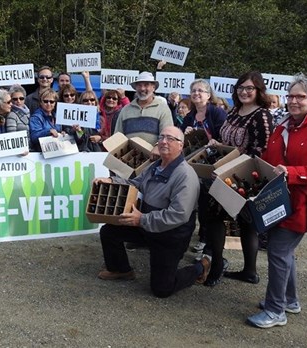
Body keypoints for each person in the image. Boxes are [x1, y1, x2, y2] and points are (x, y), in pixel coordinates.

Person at [247, 74, 307, 328]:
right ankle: (290, 300)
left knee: (278, 252)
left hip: (302, 203)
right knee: (284, 253)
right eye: (290, 96)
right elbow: (268, 157)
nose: (293, 101)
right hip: (278, 201)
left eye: (300, 96)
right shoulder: (282, 125)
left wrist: (294, 172)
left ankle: (276, 311)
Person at [95, 126, 209, 297]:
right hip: (147, 224)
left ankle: (202, 266)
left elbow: (178, 215)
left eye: (170, 139)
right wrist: (111, 180)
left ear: (181, 145)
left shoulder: (186, 175)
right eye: (162, 137)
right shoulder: (156, 165)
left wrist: (141, 220)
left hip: (171, 235)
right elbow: (136, 183)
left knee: (162, 289)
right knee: (109, 231)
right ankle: (121, 269)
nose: (163, 141)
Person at [205, 71, 273, 286]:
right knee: (216, 218)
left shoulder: (261, 115)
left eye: (249, 88)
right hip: (224, 172)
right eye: (241, 88)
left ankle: (244, 270)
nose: (244, 92)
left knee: (243, 222)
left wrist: (235, 163)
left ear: (258, 90)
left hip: (243, 177)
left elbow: (261, 149)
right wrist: (217, 144)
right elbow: (226, 139)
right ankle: (219, 264)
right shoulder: (234, 111)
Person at [181, 79, 227, 265]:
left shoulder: (217, 113)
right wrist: (186, 134)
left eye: (201, 90)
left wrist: (214, 140)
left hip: (214, 165)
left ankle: (207, 246)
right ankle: (189, 241)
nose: (196, 93)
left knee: (209, 207)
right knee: (193, 203)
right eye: (193, 91)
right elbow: (182, 144)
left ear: (209, 95)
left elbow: (225, 136)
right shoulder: (188, 117)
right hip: (193, 165)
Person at [114, 72, 172, 145]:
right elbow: (117, 136)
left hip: (155, 155)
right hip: (129, 155)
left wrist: (157, 147)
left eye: (146, 85)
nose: (142, 88)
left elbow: (167, 134)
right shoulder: (126, 110)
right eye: (139, 85)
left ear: (153, 87)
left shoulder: (163, 108)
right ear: (135, 88)